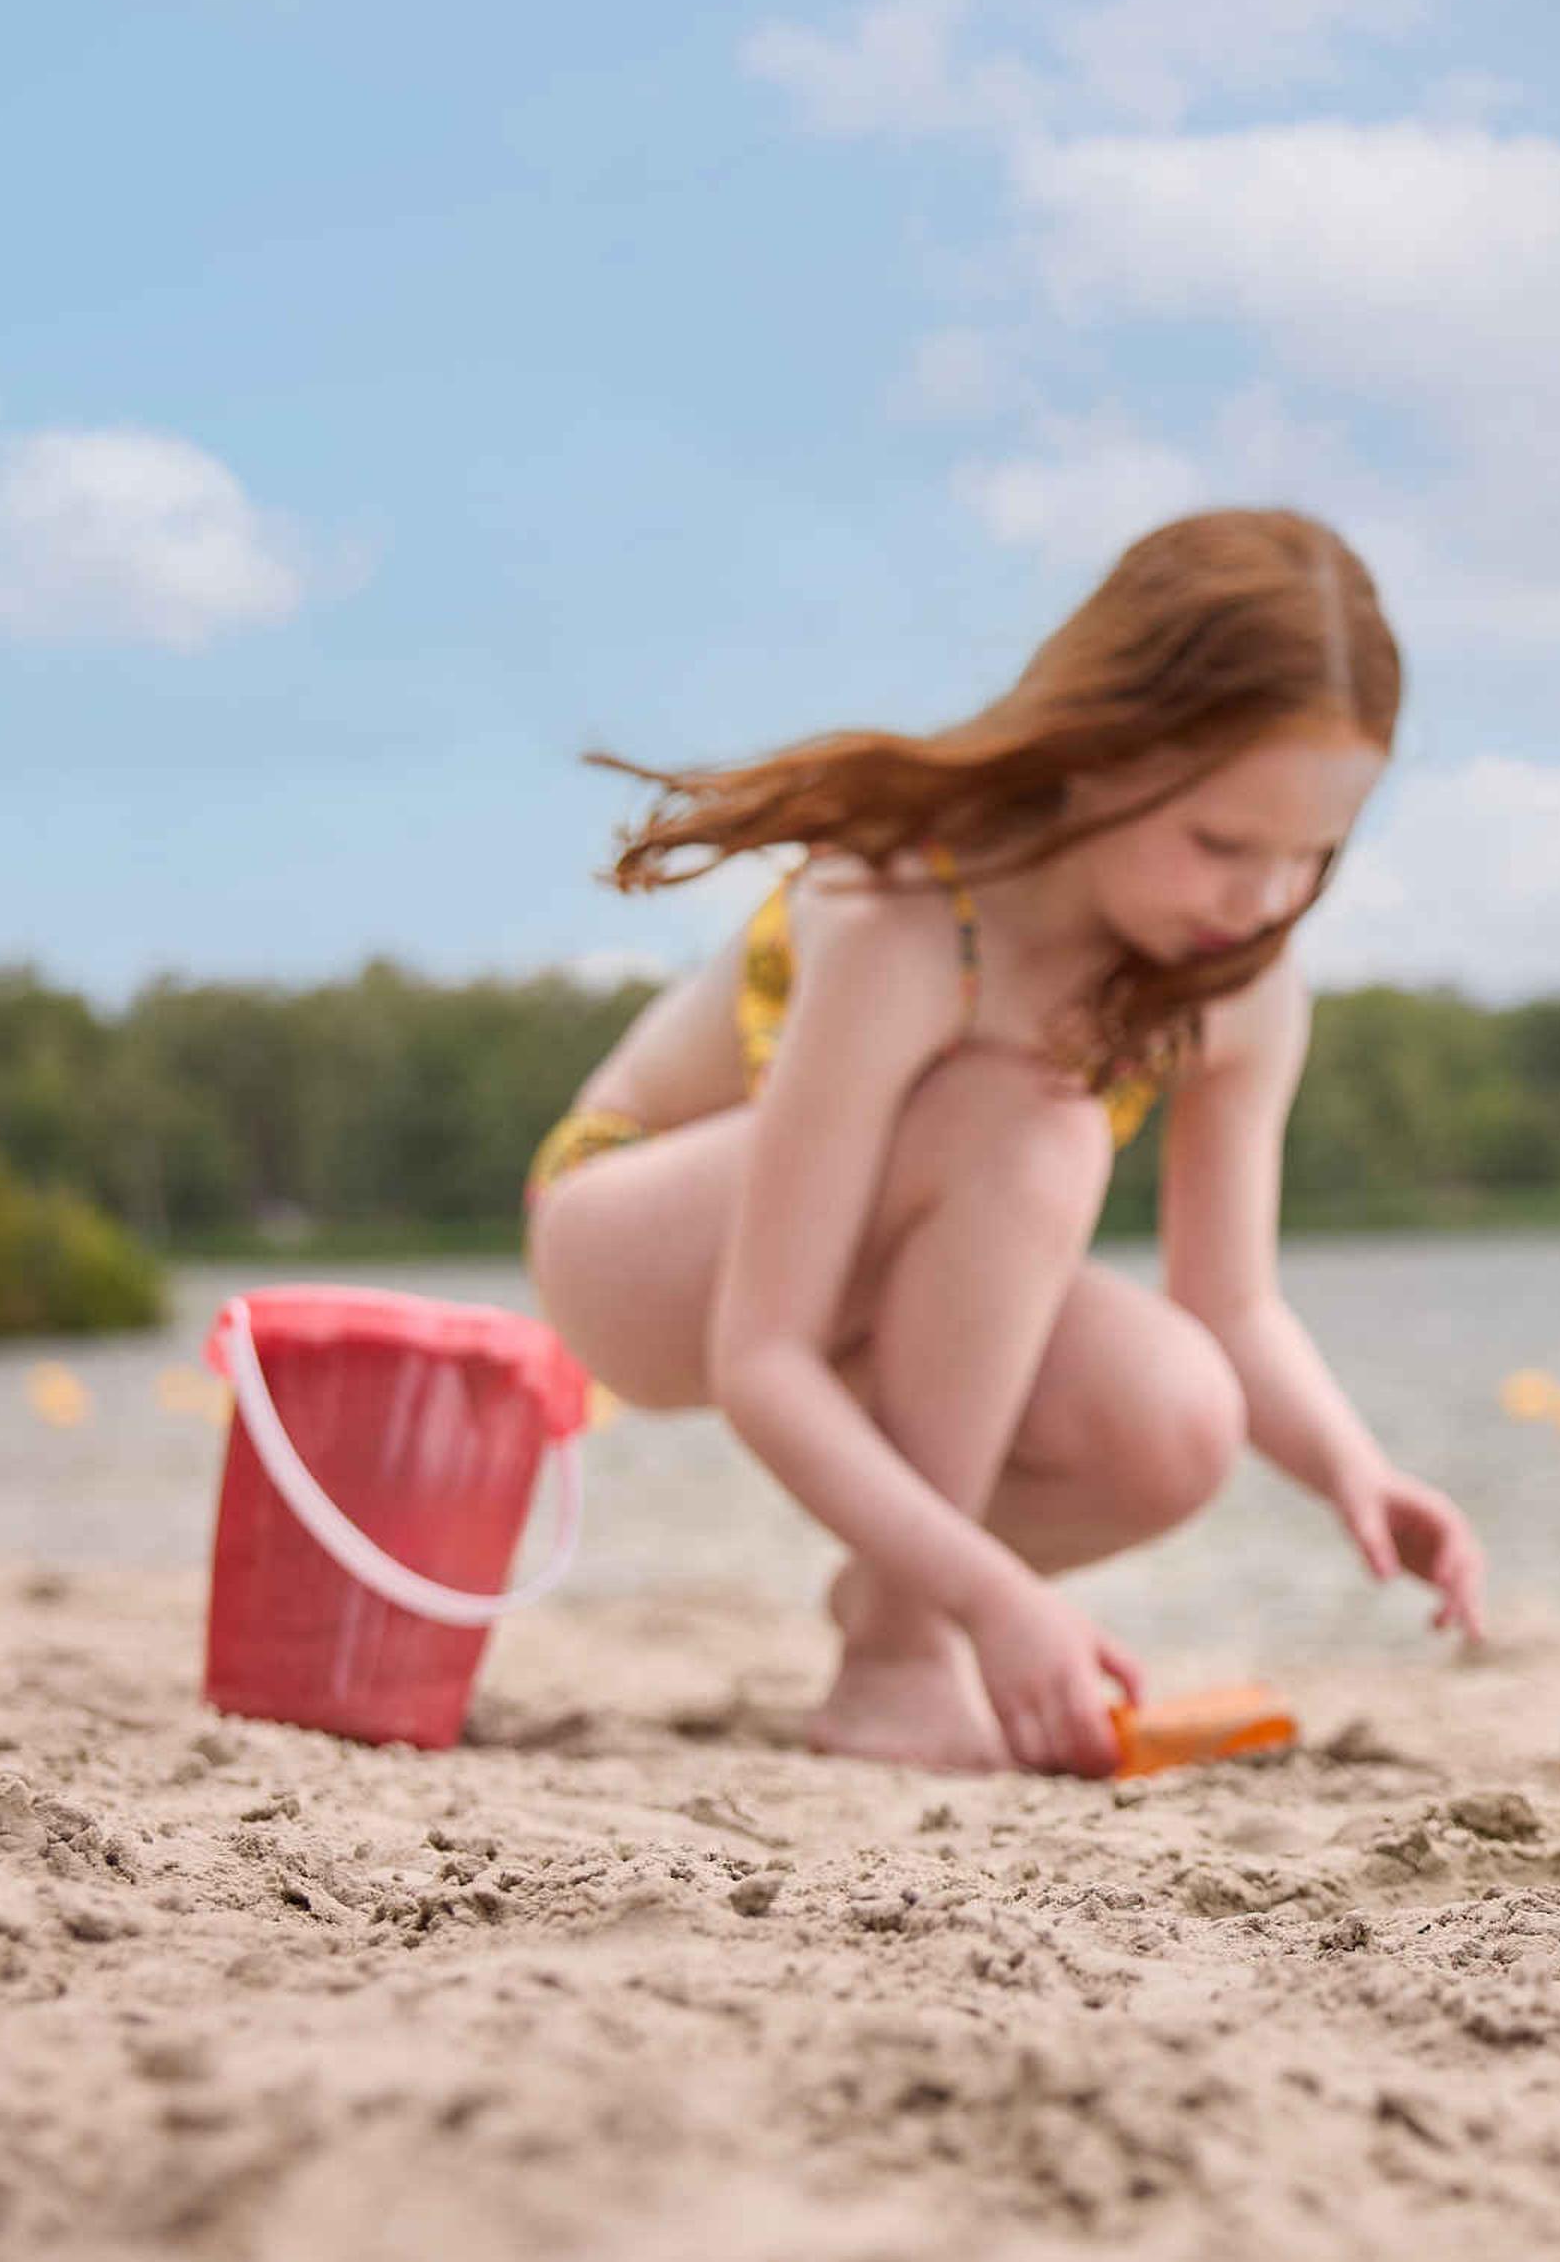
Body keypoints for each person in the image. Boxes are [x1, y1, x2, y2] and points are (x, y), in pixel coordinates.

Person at [524, 508, 1485, 1777]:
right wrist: (992, 1602)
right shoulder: (910, 914)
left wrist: (1353, 1469)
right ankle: (900, 1662)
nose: (1259, 903)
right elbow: (762, 1359)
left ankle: (891, 1604)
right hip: (641, 1246)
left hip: (876, 1276)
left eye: (1310, 858)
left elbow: (1232, 1304)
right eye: (1220, 844)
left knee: (1179, 1415)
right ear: (1094, 753)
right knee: (1033, 1119)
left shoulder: (1241, 978)